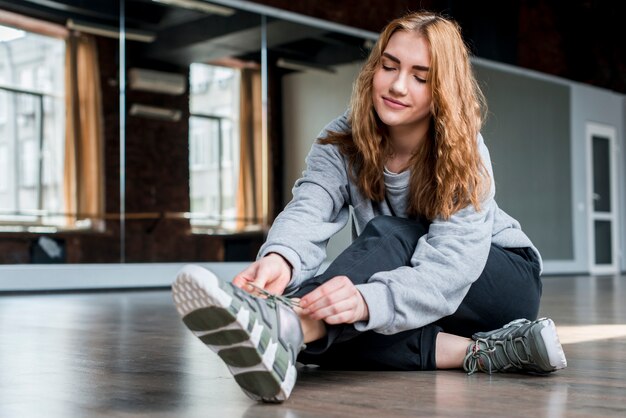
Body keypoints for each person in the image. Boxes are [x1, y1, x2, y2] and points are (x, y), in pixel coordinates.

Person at [171, 11, 567, 403]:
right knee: (330, 323)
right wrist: (281, 260)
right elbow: (310, 208)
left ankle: (287, 322)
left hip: (495, 281)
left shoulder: (465, 151)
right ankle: (478, 352)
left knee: (376, 259)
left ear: (443, 88)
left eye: (420, 76)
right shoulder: (342, 139)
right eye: (388, 66)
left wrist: (366, 300)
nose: (397, 85)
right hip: (416, 286)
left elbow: (452, 265)